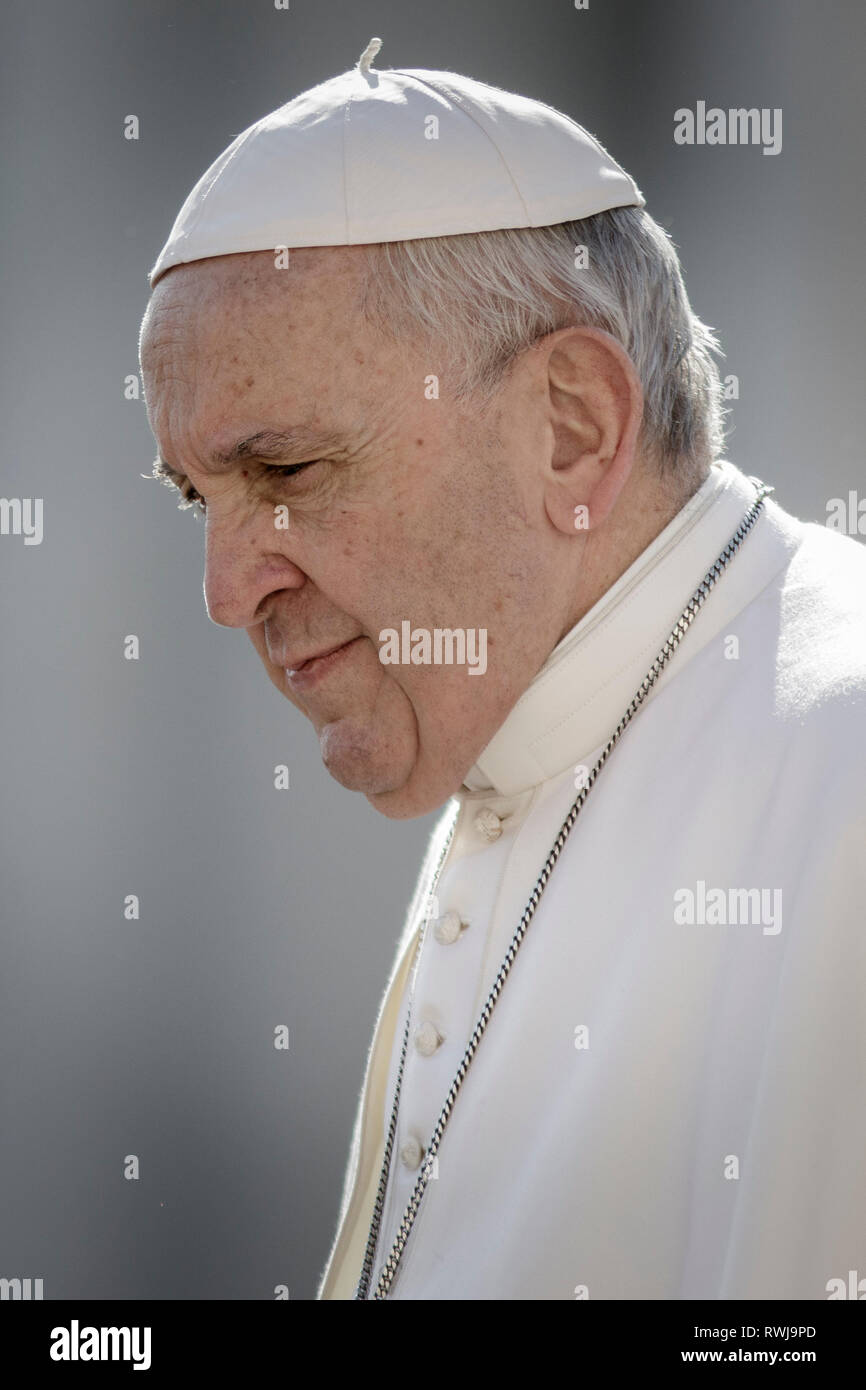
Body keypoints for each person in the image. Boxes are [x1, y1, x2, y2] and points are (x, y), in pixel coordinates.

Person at [138, 40, 866, 1299]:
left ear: (572, 428)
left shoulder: (840, 765)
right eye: (196, 498)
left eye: (289, 475)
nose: (222, 592)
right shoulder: (534, 733)